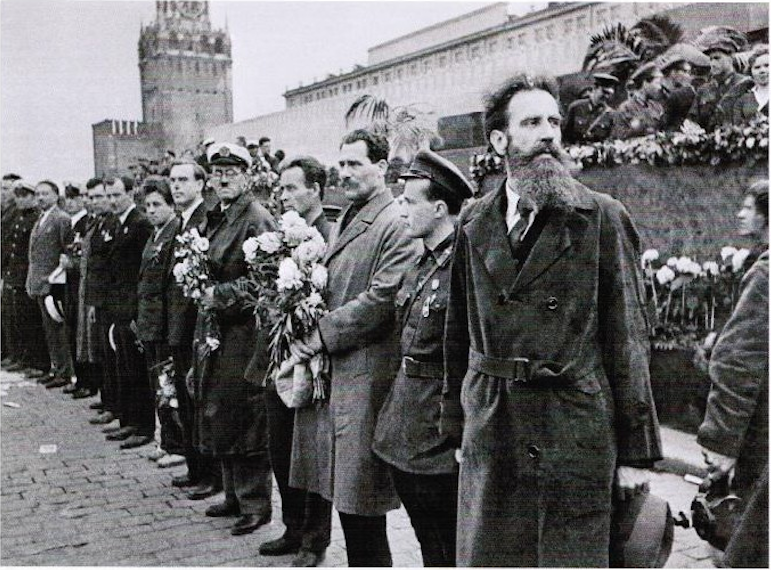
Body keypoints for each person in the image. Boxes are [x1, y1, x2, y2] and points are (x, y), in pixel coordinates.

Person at [442, 73, 662, 566]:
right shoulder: (473, 221)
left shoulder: (601, 217)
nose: (548, 134)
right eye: (531, 123)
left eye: (554, 122)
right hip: (494, 427)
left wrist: (635, 452)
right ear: (500, 141)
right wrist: (457, 424)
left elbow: (628, 338)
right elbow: (456, 331)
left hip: (573, 429)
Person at [288, 129, 421, 567]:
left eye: (354, 164)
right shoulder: (350, 214)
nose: (343, 173)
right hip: (341, 375)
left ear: (381, 167)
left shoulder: (394, 221)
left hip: (365, 376)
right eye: (340, 164)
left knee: (362, 504)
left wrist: (319, 333)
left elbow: (381, 299)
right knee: (348, 502)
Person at [372, 150, 473, 567]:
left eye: (409, 202)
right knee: (429, 539)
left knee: (448, 544)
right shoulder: (422, 262)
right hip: (406, 422)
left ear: (438, 209)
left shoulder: (462, 267)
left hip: (438, 428)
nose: (401, 209)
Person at [193, 143, 276, 536]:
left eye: (232, 172)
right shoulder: (220, 216)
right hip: (219, 330)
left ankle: (255, 503)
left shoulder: (256, 218)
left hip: (245, 331)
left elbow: (267, 280)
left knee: (245, 414)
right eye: (217, 172)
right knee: (220, 409)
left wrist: (220, 295)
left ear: (247, 176)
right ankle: (233, 495)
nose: (223, 179)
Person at [258, 156, 334, 567]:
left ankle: (314, 538)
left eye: (292, 188)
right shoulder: (283, 236)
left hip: (312, 358)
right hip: (281, 356)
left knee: (311, 451)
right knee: (281, 446)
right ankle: (292, 527)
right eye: (281, 189)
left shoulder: (327, 235)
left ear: (315, 189)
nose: (284, 196)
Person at [697, 181, 768, 568]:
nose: (740, 214)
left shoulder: (766, 275)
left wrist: (721, 441)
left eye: (748, 207)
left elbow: (738, 360)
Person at [165, 161, 221, 498]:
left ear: (200, 184)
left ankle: (210, 474)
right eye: (173, 180)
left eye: (183, 180)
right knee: (186, 403)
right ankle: (195, 468)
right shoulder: (181, 221)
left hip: (197, 326)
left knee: (200, 401)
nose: (176, 186)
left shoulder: (205, 219)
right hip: (179, 325)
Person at [103, 176, 154, 449]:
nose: (112, 201)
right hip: (119, 308)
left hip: (133, 309)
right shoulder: (117, 223)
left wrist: (136, 313)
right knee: (124, 367)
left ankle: (142, 426)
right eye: (109, 195)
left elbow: (140, 272)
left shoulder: (140, 224)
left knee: (136, 369)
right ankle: (130, 420)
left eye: (116, 195)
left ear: (131, 193)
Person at [135, 178, 180, 454]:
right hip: (150, 324)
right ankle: (167, 441)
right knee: (160, 385)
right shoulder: (155, 235)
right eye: (147, 206)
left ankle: (175, 445)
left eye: (157, 204)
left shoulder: (173, 233)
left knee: (168, 386)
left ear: (171, 205)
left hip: (163, 325)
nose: (151, 210)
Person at [26, 179, 74, 389]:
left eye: (45, 193)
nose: (40, 198)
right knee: (49, 330)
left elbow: (67, 250)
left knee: (58, 329)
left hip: (53, 283)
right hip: (39, 282)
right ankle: (56, 367)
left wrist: (57, 277)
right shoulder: (41, 219)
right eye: (38, 194)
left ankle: (65, 371)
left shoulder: (61, 219)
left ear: (56, 195)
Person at [2, 182, 49, 378]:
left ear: (32, 197)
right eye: (18, 196)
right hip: (15, 275)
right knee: (18, 318)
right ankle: (21, 357)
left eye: (25, 196)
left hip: (27, 276)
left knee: (31, 320)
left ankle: (37, 361)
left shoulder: (35, 217)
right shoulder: (19, 217)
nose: (20, 200)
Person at [73, 179, 107, 400]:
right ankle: (100, 393)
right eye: (90, 197)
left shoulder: (107, 223)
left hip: (101, 293)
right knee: (89, 341)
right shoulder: (92, 222)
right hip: (87, 288)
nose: (93, 201)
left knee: (99, 344)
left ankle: (101, 391)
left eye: (98, 197)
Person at [61, 183, 91, 395]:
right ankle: (79, 378)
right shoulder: (70, 223)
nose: (70, 202)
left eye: (75, 198)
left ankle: (87, 381)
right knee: (71, 329)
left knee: (82, 333)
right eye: (68, 198)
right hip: (70, 284)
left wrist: (71, 263)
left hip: (80, 283)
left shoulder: (85, 222)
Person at [688, 35, 752, 131]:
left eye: (717, 58)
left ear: (731, 58)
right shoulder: (703, 90)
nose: (713, 64)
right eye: (710, 59)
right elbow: (692, 122)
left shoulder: (746, 84)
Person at [601, 63, 665, 140]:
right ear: (645, 83)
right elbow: (618, 136)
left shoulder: (656, 107)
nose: (659, 87)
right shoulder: (625, 108)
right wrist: (640, 130)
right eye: (657, 83)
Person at [562, 73, 618, 144]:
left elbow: (610, 140)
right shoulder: (576, 107)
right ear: (595, 88)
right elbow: (564, 134)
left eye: (609, 94)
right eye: (604, 92)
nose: (606, 96)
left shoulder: (610, 115)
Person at [732, 46, 769, 124]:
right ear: (750, 71)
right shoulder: (743, 100)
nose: (762, 70)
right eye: (757, 67)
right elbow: (737, 126)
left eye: (767, 65)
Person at [660, 57, 697, 131]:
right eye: (685, 72)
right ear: (673, 72)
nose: (689, 76)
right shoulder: (659, 93)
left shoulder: (683, 92)